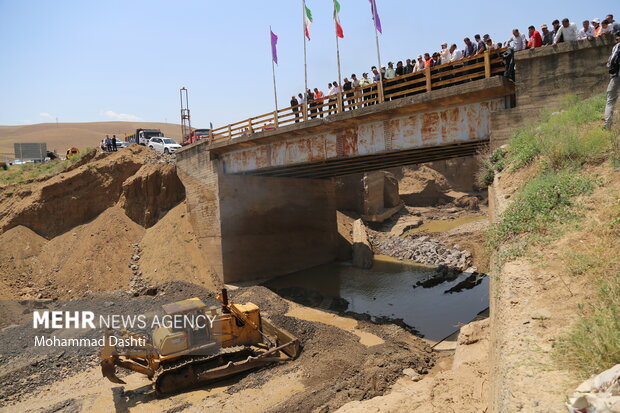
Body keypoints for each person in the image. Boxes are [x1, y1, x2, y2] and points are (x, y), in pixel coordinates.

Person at [604, 31, 620, 130]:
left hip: (617, 75)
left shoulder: (617, 46)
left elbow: (613, 59)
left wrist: (610, 66)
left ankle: (608, 125)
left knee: (610, 100)